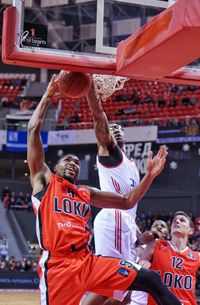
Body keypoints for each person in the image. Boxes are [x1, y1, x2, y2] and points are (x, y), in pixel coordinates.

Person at [27, 74, 181, 305]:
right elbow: (33, 130)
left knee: (150, 279)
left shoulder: (85, 192)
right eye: (67, 160)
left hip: (87, 261)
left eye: (77, 162)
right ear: (55, 168)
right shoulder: (45, 183)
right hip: (58, 266)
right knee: (117, 298)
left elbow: (128, 201)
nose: (73, 163)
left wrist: (150, 175)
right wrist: (48, 96)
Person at [83, 80, 164, 305]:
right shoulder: (112, 157)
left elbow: (132, 205)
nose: (115, 131)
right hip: (114, 219)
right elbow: (100, 120)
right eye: (111, 130)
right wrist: (91, 90)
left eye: (119, 130)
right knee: (114, 283)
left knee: (124, 292)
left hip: (124, 224)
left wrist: (139, 237)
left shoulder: (131, 167)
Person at [140, 211, 200, 305]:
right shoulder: (156, 244)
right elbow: (141, 264)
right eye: (174, 221)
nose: (177, 222)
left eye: (182, 220)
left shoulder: (197, 256)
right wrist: (143, 264)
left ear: (190, 231)